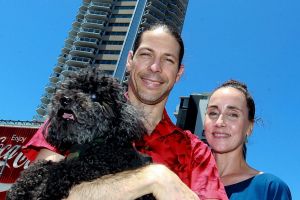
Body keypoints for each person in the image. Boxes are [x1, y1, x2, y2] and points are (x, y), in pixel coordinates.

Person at [22, 23, 228, 200]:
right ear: (130, 60)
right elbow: (35, 193)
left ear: (178, 73)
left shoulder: (195, 152)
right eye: (147, 54)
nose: (155, 67)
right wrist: (151, 179)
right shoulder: (71, 114)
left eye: (168, 60)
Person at [204, 79, 292, 200]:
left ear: (249, 127)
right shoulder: (183, 180)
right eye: (213, 113)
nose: (220, 122)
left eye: (233, 114)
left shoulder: (269, 189)